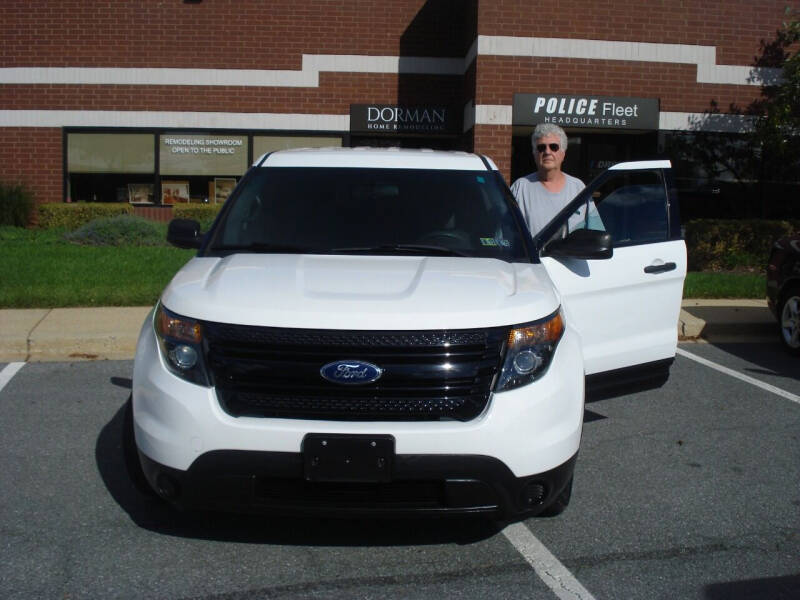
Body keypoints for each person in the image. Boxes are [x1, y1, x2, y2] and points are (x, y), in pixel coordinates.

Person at [510, 123, 590, 236]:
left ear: (563, 154)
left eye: (554, 147)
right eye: (541, 147)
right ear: (534, 154)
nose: (547, 152)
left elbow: (595, 233)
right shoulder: (519, 188)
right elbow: (505, 234)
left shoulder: (578, 188)